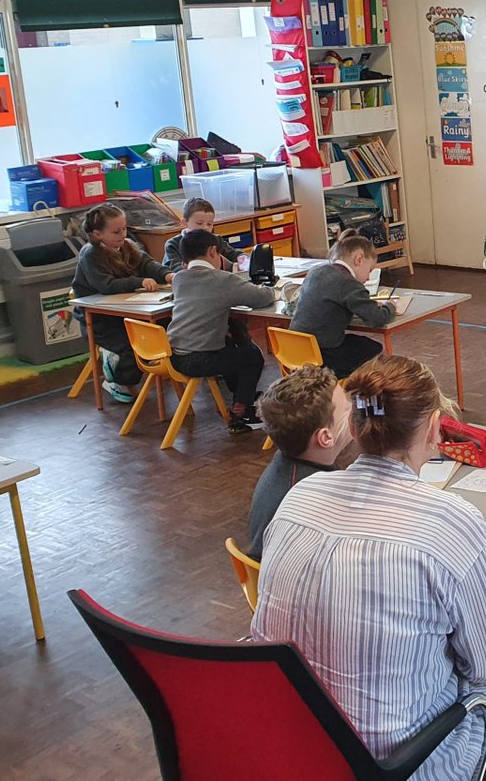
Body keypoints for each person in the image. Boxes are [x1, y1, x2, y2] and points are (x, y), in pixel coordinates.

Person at [251, 354, 486, 781]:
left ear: (353, 428)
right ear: (434, 429)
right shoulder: (451, 521)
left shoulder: (298, 498)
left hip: (299, 764)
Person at [166, 229, 274, 433]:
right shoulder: (222, 279)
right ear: (214, 251)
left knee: (232, 347)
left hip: (174, 355)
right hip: (200, 358)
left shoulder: (179, 278)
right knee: (252, 356)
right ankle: (242, 414)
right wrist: (267, 285)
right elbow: (263, 297)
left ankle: (242, 400)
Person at [247, 365, 352, 559]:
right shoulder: (313, 497)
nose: (354, 411)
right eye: (347, 409)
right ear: (325, 437)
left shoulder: (287, 462)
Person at [72, 202, 171, 404]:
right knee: (133, 346)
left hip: (127, 312)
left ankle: (160, 371)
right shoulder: (90, 254)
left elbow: (147, 264)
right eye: (116, 231)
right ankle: (116, 378)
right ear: (98, 234)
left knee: (165, 328)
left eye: (124, 229)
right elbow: (106, 285)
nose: (123, 235)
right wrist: (139, 282)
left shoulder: (125, 246)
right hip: (101, 321)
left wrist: (167, 275)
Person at [289, 231, 396, 377]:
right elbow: (377, 318)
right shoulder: (347, 282)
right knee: (374, 349)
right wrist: (390, 305)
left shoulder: (316, 272)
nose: (368, 277)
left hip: (294, 349)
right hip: (323, 353)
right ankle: (351, 389)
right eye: (370, 270)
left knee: (359, 344)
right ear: (359, 259)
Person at [163, 197, 240, 272]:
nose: (205, 227)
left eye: (209, 224)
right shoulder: (173, 244)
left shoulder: (216, 240)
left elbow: (235, 255)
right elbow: (175, 269)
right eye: (199, 223)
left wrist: (243, 259)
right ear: (185, 223)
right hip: (189, 281)